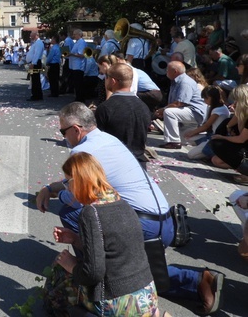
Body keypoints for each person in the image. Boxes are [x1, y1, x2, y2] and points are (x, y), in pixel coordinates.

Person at [37, 102, 224, 314]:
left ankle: (88, 269)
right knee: (133, 262)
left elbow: (75, 195)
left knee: (71, 214)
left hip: (144, 223)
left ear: (76, 129)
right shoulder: (107, 138)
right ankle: (196, 281)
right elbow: (75, 182)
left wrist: (78, 266)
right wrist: (49, 188)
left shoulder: (81, 151)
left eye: (63, 131)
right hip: (165, 221)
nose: (63, 137)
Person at [54, 152, 159, 316]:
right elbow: (112, 249)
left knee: (61, 276)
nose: (68, 189)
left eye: (68, 183)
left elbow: (92, 273)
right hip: (147, 296)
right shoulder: (120, 201)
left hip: (118, 301)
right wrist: (75, 239)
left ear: (78, 181)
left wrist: (72, 265)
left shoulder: (91, 212)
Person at [94, 63, 151, 166]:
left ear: (112, 81)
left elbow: (97, 141)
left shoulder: (106, 108)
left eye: (106, 78)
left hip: (113, 164)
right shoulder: (144, 107)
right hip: (138, 165)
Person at [154, 61, 207, 149]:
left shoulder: (185, 82)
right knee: (184, 139)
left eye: (168, 70)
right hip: (187, 111)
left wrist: (163, 109)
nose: (166, 71)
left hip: (195, 112)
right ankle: (205, 139)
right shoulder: (176, 81)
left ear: (175, 71)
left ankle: (174, 142)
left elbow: (180, 102)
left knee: (169, 112)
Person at [210, 83, 248, 184]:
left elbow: (241, 139)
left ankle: (246, 172)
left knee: (217, 143)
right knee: (216, 160)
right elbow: (229, 124)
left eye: (236, 100)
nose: (234, 103)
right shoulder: (244, 112)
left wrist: (223, 137)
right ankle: (243, 168)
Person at [186, 85, 230, 160]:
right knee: (188, 138)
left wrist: (193, 132)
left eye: (206, 98)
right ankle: (202, 147)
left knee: (191, 155)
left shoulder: (219, 110)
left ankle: (211, 152)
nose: (204, 100)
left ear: (213, 98)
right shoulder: (211, 107)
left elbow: (206, 126)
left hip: (216, 137)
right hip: (210, 135)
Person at [69, 29, 87, 102]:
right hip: (75, 65)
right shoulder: (77, 42)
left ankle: (80, 98)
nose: (73, 36)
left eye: (74, 34)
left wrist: (71, 54)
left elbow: (81, 55)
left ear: (79, 35)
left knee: (79, 83)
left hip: (79, 66)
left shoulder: (81, 43)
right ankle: (78, 97)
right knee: (76, 83)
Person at [27, 32, 45, 101]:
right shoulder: (35, 43)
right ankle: (35, 94)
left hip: (35, 63)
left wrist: (33, 63)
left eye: (31, 36)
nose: (30, 37)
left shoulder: (39, 43)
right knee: (33, 78)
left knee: (35, 79)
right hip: (34, 62)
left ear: (36, 36)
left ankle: (36, 95)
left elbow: (36, 54)